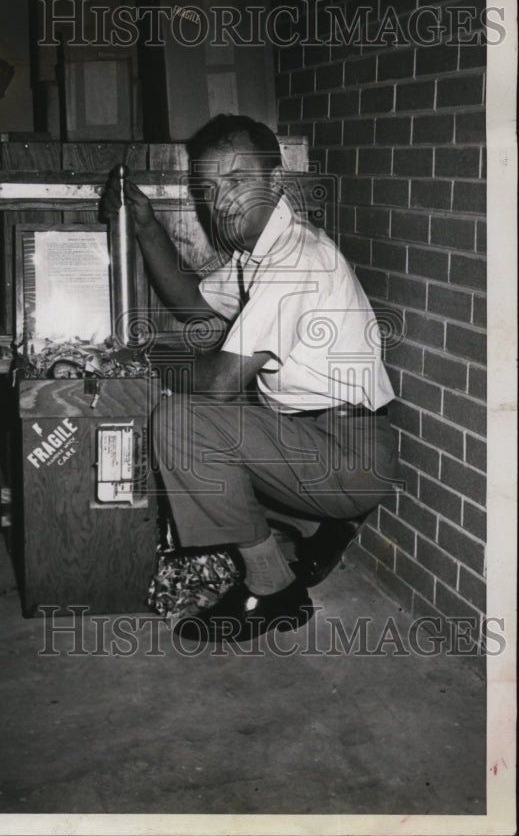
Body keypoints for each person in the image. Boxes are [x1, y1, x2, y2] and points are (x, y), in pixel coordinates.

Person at [100, 114, 400, 644]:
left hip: (347, 455)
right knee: (205, 438)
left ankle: (274, 588)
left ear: (275, 181)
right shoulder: (258, 255)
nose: (222, 201)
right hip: (314, 434)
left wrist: (145, 359)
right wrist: (146, 227)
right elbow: (192, 303)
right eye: (210, 187)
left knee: (182, 423)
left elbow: (218, 382)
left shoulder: (296, 261)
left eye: (237, 181)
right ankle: (313, 527)